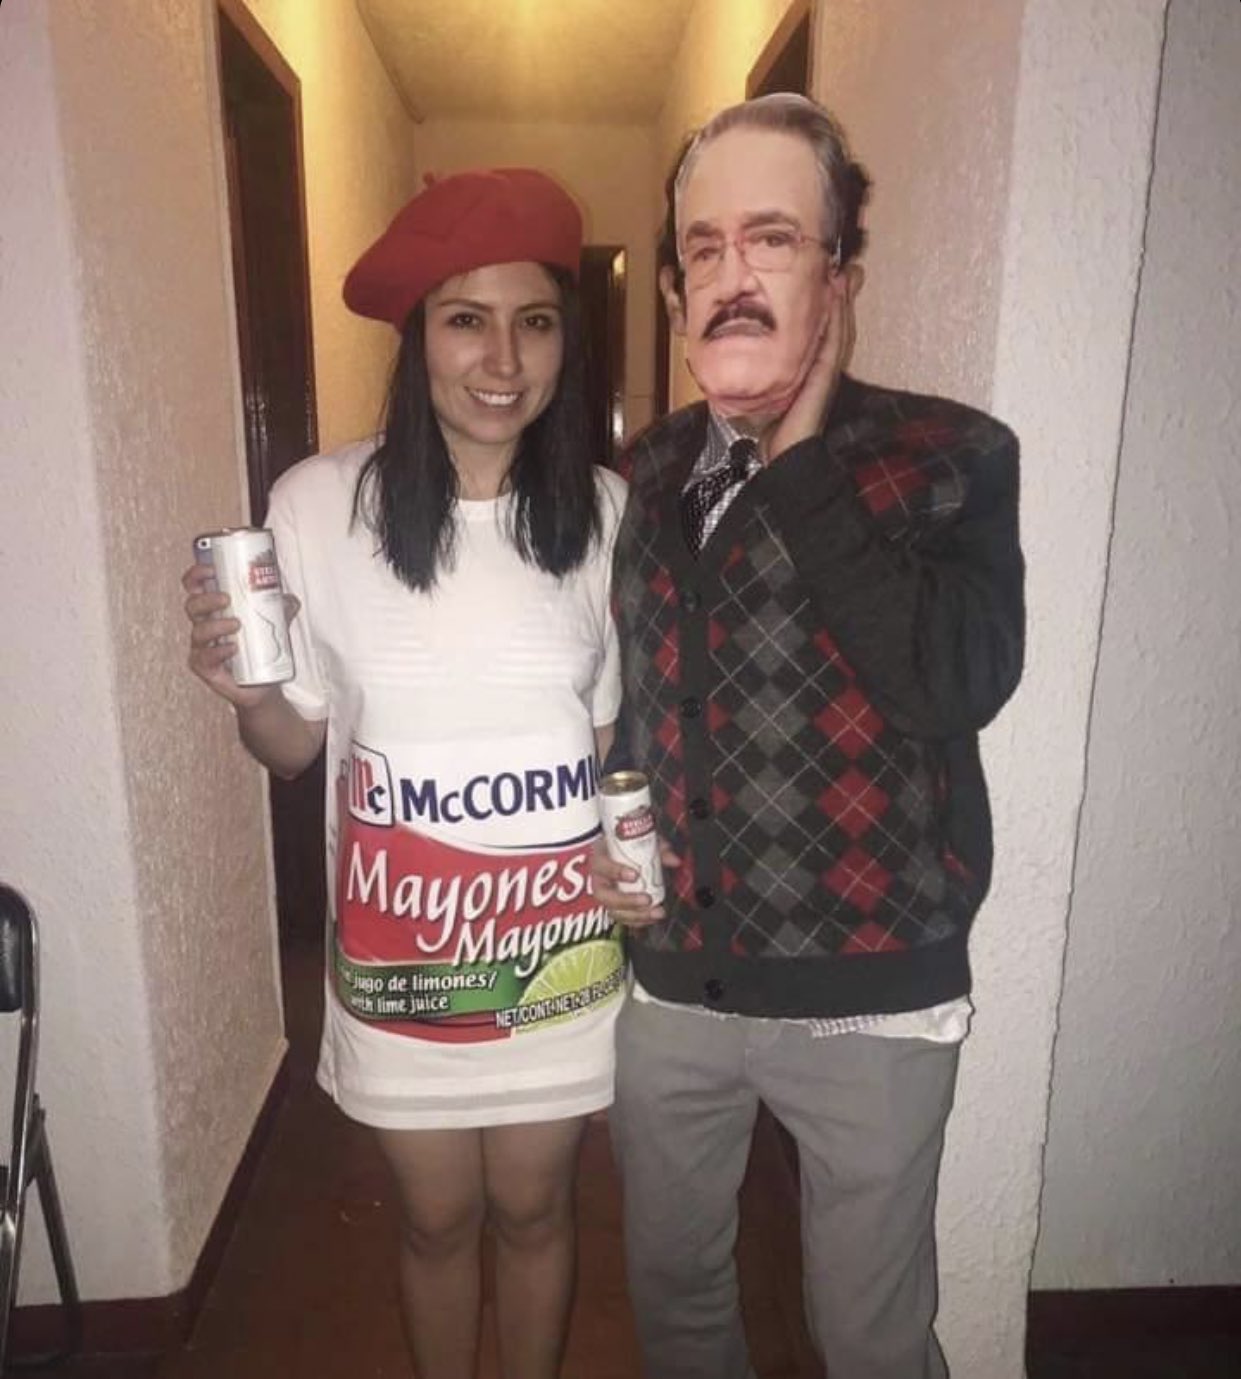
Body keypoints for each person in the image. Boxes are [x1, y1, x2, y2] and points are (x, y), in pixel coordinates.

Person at [593, 94, 1025, 1379]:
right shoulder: (644, 474)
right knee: (673, 1298)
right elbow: (643, 685)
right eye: (704, 248)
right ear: (673, 293)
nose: (732, 276)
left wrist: (797, 463)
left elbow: (952, 682)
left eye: (772, 240)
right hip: (674, 985)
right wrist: (615, 812)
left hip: (872, 996)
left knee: (867, 1335)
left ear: (838, 276)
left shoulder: (948, 455)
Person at [184, 169, 627, 1379]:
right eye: (464, 318)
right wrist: (250, 695)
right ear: (416, 336)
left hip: (552, 960)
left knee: (536, 1209)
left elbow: (598, 751)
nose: (502, 359)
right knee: (434, 1219)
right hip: (402, 966)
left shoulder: (604, 515)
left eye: (534, 321)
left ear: (565, 343)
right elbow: (293, 747)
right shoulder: (318, 506)